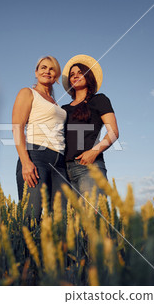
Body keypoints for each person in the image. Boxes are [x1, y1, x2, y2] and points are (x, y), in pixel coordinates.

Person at [12, 56, 68, 222]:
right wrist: (26, 162)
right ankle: (25, 249)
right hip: (36, 157)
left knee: (62, 219)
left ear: (56, 75)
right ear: (36, 72)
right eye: (43, 68)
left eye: (52, 69)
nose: (47, 71)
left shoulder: (56, 103)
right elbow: (17, 127)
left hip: (60, 161)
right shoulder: (28, 93)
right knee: (32, 216)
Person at [61, 54, 119, 199]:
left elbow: (113, 132)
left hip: (90, 167)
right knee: (71, 220)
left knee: (92, 218)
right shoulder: (63, 109)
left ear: (89, 76)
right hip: (64, 171)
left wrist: (93, 152)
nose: (75, 76)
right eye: (72, 74)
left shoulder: (99, 100)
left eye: (80, 72)